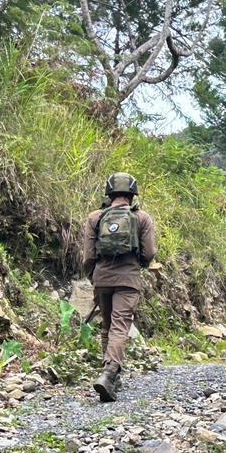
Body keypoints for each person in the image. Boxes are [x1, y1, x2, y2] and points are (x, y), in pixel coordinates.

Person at [78, 172, 156, 402]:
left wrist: (93, 276)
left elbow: (88, 255)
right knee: (120, 327)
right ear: (132, 194)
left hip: (102, 278)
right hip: (128, 280)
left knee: (108, 326)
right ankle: (109, 372)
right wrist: (140, 263)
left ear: (109, 193)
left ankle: (112, 376)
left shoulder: (95, 217)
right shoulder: (142, 218)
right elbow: (149, 252)